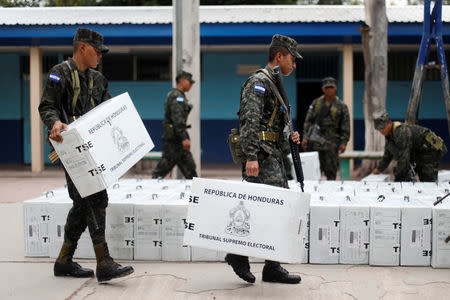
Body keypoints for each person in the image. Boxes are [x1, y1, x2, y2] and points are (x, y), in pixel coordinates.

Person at [39, 28, 134, 282]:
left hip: (95, 151)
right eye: (97, 51)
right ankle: (103, 262)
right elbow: (47, 105)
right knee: (95, 198)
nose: (100, 56)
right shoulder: (59, 74)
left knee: (83, 204)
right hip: (70, 151)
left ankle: (64, 261)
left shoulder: (99, 80)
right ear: (82, 48)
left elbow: (111, 112)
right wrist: (55, 122)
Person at [225, 34, 302, 285]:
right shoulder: (259, 82)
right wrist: (250, 157)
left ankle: (272, 266)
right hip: (260, 157)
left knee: (277, 211)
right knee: (255, 208)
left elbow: (272, 124)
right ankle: (237, 254)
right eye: (291, 59)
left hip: (273, 156)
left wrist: (289, 136)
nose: (294, 63)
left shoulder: (275, 83)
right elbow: (249, 120)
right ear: (279, 57)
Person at [372, 111, 447, 182]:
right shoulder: (389, 136)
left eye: (383, 128)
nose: (381, 131)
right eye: (379, 129)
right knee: (404, 172)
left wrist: (398, 180)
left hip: (431, 150)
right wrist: (376, 172)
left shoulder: (401, 132)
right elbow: (387, 157)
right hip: (419, 152)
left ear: (389, 123)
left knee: (427, 180)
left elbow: (404, 158)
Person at [301, 77, 350, 180]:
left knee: (331, 174)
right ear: (323, 89)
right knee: (314, 173)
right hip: (316, 143)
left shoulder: (341, 106)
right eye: (327, 88)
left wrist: (344, 142)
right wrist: (305, 138)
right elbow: (308, 121)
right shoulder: (316, 103)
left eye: (331, 87)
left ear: (335, 88)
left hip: (332, 144)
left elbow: (345, 126)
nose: (329, 90)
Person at [152, 71, 197, 179]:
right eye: (189, 81)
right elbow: (178, 120)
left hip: (176, 140)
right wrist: (184, 138)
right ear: (181, 81)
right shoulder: (177, 97)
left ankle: (196, 193)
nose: (191, 84)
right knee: (162, 169)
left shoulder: (178, 96)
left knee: (190, 170)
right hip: (174, 141)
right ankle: (150, 189)